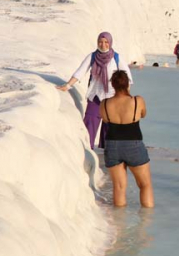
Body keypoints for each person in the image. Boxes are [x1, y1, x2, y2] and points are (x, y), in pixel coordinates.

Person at [58, 31, 133, 149]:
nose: (103, 45)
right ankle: (86, 149)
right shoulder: (93, 56)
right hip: (95, 95)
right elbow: (80, 71)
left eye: (106, 42)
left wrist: (125, 96)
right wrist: (67, 85)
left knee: (111, 125)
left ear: (110, 43)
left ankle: (108, 151)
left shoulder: (116, 57)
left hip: (112, 96)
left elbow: (127, 77)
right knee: (90, 121)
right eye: (100, 42)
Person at [99, 71, 153, 208]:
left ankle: (119, 225)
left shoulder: (104, 103)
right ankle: (146, 224)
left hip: (112, 145)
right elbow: (143, 114)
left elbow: (105, 119)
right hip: (133, 144)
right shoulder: (137, 100)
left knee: (119, 187)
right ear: (128, 84)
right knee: (144, 185)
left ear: (112, 85)